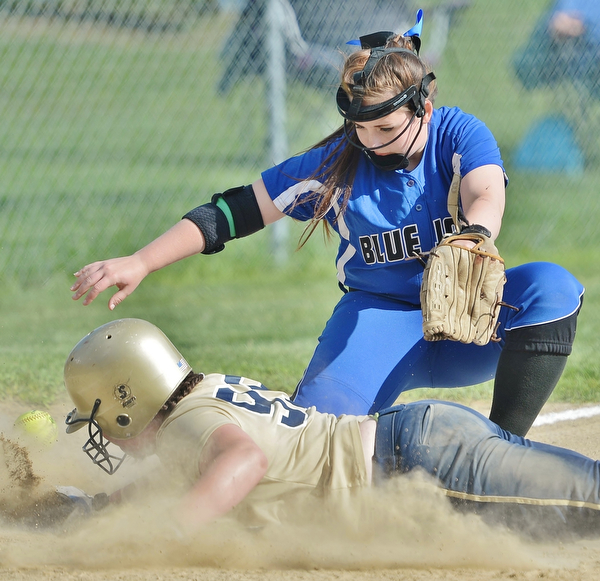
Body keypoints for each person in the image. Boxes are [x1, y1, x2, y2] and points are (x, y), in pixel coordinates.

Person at [70, 10, 585, 437]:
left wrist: (476, 234)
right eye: (358, 127)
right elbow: (232, 212)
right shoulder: (336, 163)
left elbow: (485, 188)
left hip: (467, 323)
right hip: (377, 321)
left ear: (422, 109)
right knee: (308, 439)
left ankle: (506, 445)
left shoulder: (456, 132)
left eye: (384, 127)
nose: (368, 141)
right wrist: (141, 261)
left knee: (553, 289)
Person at [64, 318, 600, 540]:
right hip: (416, 443)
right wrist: (100, 509)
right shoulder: (200, 396)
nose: (103, 434)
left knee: (590, 500)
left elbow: (241, 462)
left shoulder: (186, 426)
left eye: (100, 419)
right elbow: (189, 476)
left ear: (128, 402)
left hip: (419, 467)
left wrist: (170, 535)